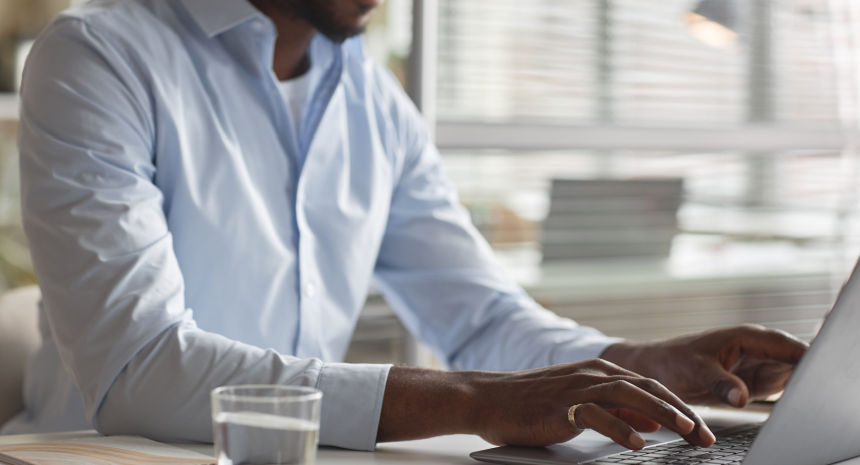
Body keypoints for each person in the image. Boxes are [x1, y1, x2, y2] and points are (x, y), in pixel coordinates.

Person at [3, 0, 808, 453]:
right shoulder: (99, 57)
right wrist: (478, 400)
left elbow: (479, 315)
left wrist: (639, 364)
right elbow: (139, 368)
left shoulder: (373, 100)